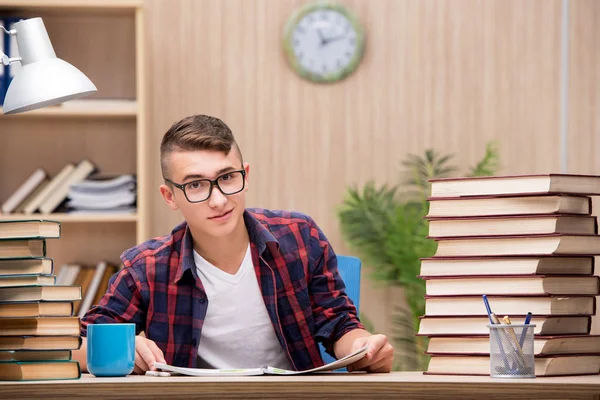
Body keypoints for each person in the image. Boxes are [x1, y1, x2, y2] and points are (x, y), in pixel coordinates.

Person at [75, 115, 394, 374]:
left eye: (227, 178)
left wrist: (363, 348)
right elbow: (75, 345)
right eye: (196, 185)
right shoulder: (147, 266)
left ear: (246, 175)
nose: (218, 200)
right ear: (169, 196)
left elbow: (339, 325)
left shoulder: (299, 236)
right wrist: (127, 350)